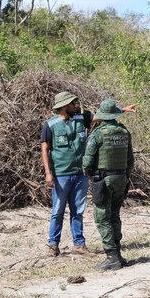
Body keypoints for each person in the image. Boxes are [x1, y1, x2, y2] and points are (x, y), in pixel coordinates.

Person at [40, 91, 96, 257]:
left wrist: (122, 110)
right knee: (57, 210)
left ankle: (79, 244)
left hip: (80, 174)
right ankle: (53, 246)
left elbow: (102, 116)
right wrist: (48, 173)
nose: (75, 106)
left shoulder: (80, 119)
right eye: (72, 104)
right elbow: (45, 149)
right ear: (64, 106)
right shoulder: (50, 125)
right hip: (61, 175)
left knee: (77, 211)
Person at [82, 99, 135, 270]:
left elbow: (88, 159)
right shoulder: (124, 132)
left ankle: (111, 257)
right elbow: (130, 160)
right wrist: (125, 175)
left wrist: (88, 173)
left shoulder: (98, 134)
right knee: (114, 215)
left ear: (102, 116)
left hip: (104, 179)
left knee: (102, 217)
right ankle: (118, 254)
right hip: (121, 178)